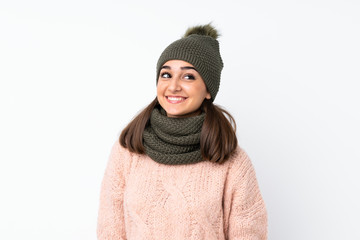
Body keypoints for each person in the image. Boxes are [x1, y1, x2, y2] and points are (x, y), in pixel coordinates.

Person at [97, 23, 268, 240]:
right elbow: (110, 230)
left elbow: (248, 235)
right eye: (166, 75)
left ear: (208, 90)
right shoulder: (128, 150)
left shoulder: (232, 162)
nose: (174, 86)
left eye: (188, 77)